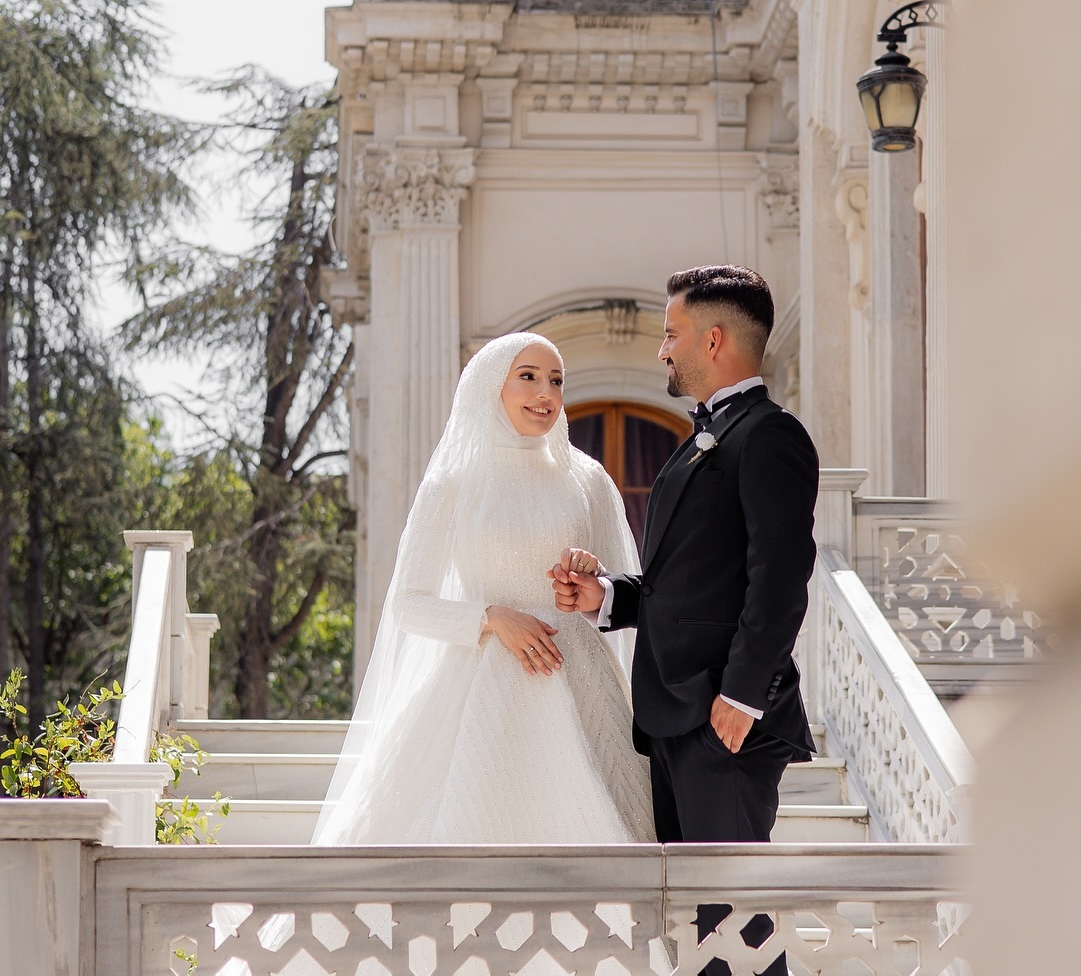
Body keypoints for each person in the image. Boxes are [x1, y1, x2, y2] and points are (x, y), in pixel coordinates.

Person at [312, 331, 654, 845]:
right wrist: (492, 617)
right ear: (491, 386)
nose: (546, 393)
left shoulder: (587, 478)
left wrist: (589, 575)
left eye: (556, 381)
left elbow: (619, 585)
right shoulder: (454, 481)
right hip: (477, 687)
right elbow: (408, 603)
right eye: (528, 377)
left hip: (579, 677)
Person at [550, 264, 819, 844]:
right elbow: (690, 584)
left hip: (723, 717)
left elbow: (780, 578)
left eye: (672, 334)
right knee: (690, 919)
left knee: (731, 918)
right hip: (675, 716)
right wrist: (609, 597)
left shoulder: (769, 435)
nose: (662, 351)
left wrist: (742, 697)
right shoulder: (702, 438)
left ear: (713, 339)